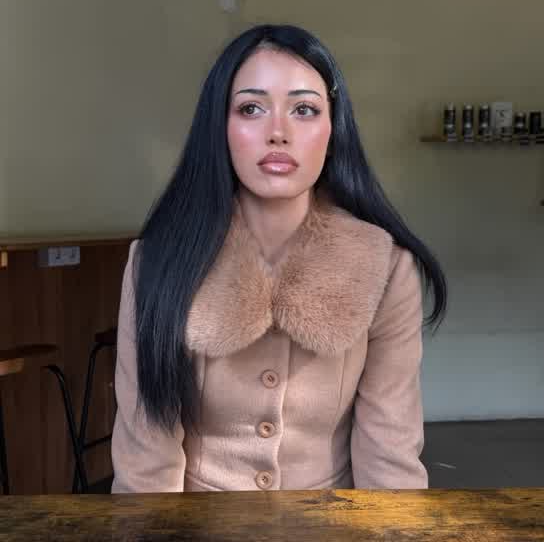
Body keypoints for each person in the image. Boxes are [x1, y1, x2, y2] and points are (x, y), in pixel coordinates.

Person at [111, 24, 447, 493]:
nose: (278, 133)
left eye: (304, 109)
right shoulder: (157, 260)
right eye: (251, 108)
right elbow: (146, 459)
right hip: (195, 523)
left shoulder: (385, 267)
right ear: (219, 126)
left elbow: (389, 450)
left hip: (331, 521)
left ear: (333, 129)